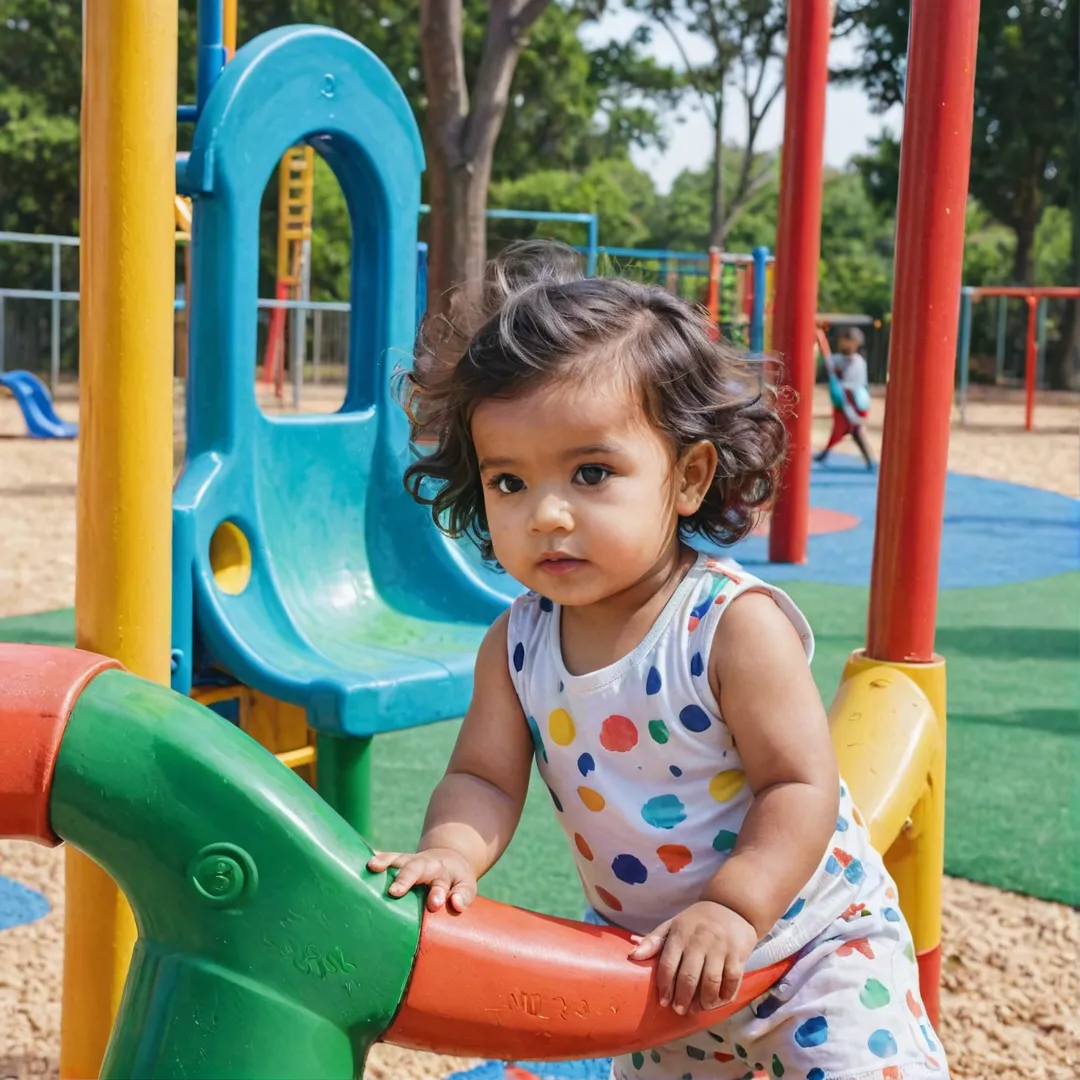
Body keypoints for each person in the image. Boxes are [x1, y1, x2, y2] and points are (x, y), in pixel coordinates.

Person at [370, 242, 947, 1080]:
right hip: (659, 972)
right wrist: (450, 852)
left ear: (687, 477)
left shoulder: (729, 626)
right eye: (509, 484)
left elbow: (799, 785)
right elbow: (485, 779)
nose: (548, 515)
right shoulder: (519, 643)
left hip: (809, 946)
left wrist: (733, 908)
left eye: (592, 472)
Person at [815, 326, 875, 469]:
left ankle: (869, 460)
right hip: (841, 402)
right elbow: (829, 365)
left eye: (849, 341)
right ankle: (825, 454)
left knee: (855, 431)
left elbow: (856, 382)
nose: (845, 344)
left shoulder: (858, 362)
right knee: (848, 431)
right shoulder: (836, 359)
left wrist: (840, 383)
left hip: (853, 401)